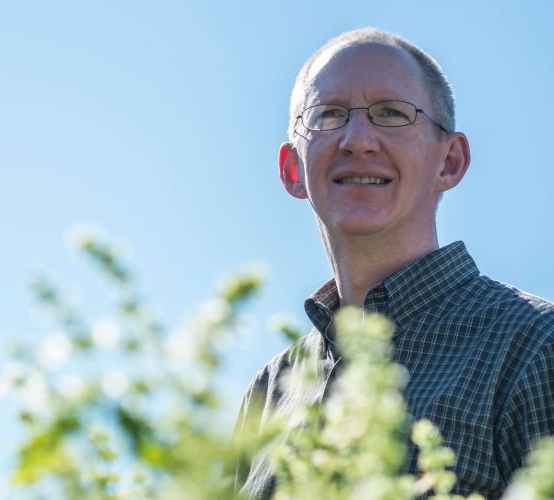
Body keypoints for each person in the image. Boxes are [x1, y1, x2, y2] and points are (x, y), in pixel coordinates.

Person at [232, 28, 554, 499]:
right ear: (293, 169)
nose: (358, 139)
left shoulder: (533, 348)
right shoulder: (267, 392)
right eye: (328, 115)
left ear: (450, 162)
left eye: (391, 114)